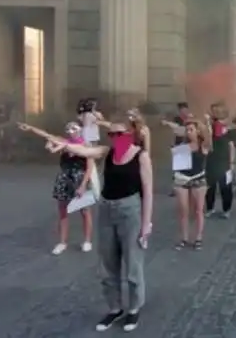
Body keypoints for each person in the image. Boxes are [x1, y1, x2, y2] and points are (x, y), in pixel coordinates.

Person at [39, 121, 153, 332]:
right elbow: (80, 149)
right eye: (111, 134)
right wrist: (51, 137)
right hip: (107, 208)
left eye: (119, 134)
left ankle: (134, 308)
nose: (114, 138)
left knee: (132, 263)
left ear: (129, 134)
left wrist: (146, 223)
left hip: (131, 210)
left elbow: (148, 191)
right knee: (108, 263)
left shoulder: (141, 156)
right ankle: (115, 307)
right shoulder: (107, 152)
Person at [18, 122, 95, 255]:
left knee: (85, 211)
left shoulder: (86, 146)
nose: (71, 131)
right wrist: (31, 128)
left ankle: (87, 240)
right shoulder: (63, 142)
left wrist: (83, 185)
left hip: (80, 178)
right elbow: (46, 135)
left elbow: (89, 168)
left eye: (74, 128)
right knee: (62, 211)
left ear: (80, 130)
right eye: (68, 129)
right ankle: (62, 242)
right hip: (64, 178)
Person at [165, 119, 208, 251]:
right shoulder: (182, 144)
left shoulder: (203, 145)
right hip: (182, 178)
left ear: (197, 131)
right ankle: (184, 238)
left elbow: (209, 139)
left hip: (198, 177)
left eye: (192, 130)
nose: (189, 132)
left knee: (198, 210)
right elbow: (174, 156)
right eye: (187, 130)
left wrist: (206, 123)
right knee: (183, 210)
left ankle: (198, 238)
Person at [205, 102, 234, 218]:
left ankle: (226, 209)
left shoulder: (228, 128)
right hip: (211, 161)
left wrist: (232, 162)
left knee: (226, 187)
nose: (215, 112)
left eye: (218, 110)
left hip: (225, 162)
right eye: (214, 110)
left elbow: (231, 146)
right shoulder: (210, 125)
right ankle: (210, 208)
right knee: (210, 187)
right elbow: (208, 142)